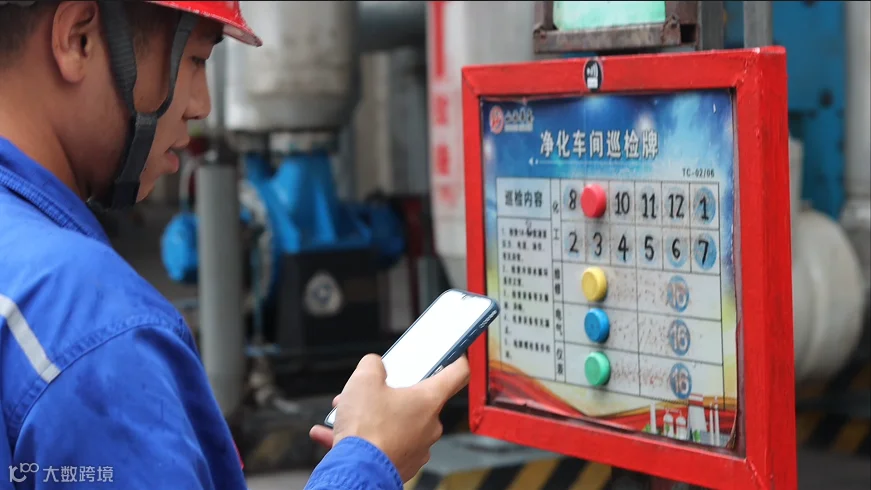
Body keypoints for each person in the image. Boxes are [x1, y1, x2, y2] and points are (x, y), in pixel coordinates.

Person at [0, 1, 469, 489]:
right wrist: (371, 459)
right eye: (195, 60)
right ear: (78, 39)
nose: (201, 105)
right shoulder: (93, 328)